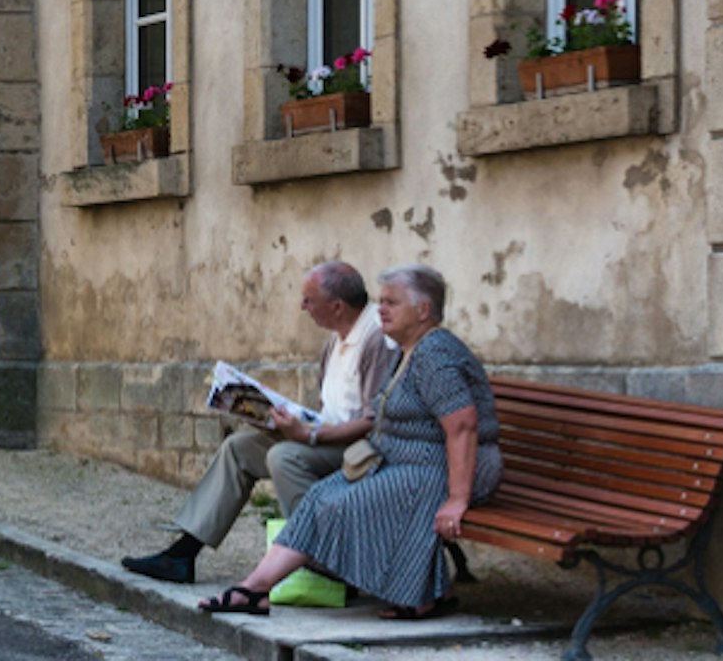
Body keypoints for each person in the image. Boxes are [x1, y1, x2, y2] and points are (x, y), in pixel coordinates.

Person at [200, 264, 498, 620]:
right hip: (405, 464)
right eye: (381, 300)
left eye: (392, 302)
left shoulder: (435, 353)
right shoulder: (408, 350)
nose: (381, 309)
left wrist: (457, 499)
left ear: (423, 311)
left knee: (344, 504)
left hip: (445, 469)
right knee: (320, 497)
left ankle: (421, 595)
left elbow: (462, 426)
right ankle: (255, 589)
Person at [120, 258, 394, 583]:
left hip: (357, 449)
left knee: (284, 456)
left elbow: (373, 421)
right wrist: (273, 419)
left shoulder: (376, 339)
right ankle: (182, 555)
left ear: (337, 307)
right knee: (239, 448)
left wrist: (307, 436)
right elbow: (330, 410)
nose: (302, 306)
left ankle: (324, 560)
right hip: (324, 436)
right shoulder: (334, 340)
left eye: (309, 300)